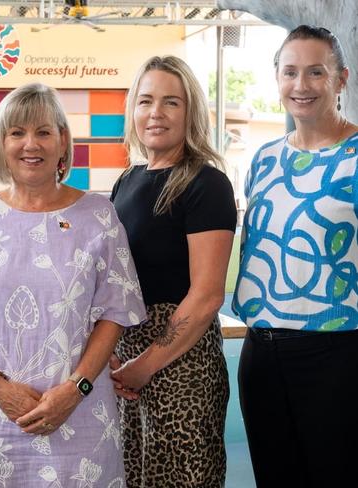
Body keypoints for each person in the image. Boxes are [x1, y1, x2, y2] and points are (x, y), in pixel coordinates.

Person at [0, 82, 146, 487]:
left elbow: (115, 313)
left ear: (63, 142)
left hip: (81, 414)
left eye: (44, 132)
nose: (31, 144)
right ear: (1, 143)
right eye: (17, 132)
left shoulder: (99, 215)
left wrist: (75, 389)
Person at [233, 25, 358, 487]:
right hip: (261, 352)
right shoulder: (264, 161)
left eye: (315, 72)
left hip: (338, 355)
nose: (300, 85)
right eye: (290, 72)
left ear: (341, 79)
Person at [109, 55, 236, 487]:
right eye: (146, 101)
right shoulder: (127, 181)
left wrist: (148, 362)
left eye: (171, 102)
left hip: (184, 365)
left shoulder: (206, 183)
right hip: (130, 360)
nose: (156, 113)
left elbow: (206, 297)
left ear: (190, 112)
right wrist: (111, 352)